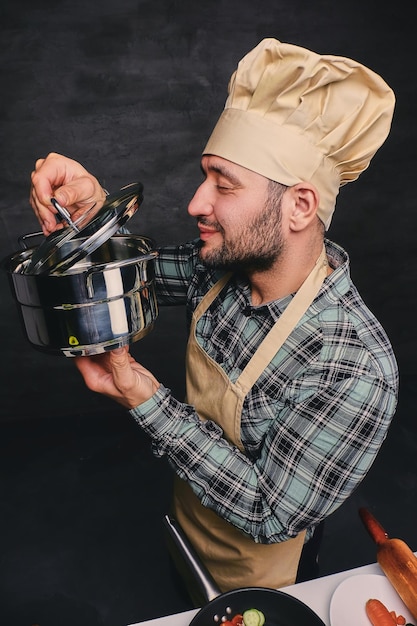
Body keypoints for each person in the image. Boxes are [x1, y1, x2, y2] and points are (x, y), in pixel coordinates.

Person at [29, 38, 398, 601]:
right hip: (188, 528)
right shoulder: (222, 268)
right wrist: (91, 213)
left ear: (300, 206)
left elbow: (269, 511)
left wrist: (140, 393)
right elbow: (136, 276)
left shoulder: (354, 365)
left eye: (224, 184)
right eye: (205, 177)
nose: (196, 203)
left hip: (265, 583)